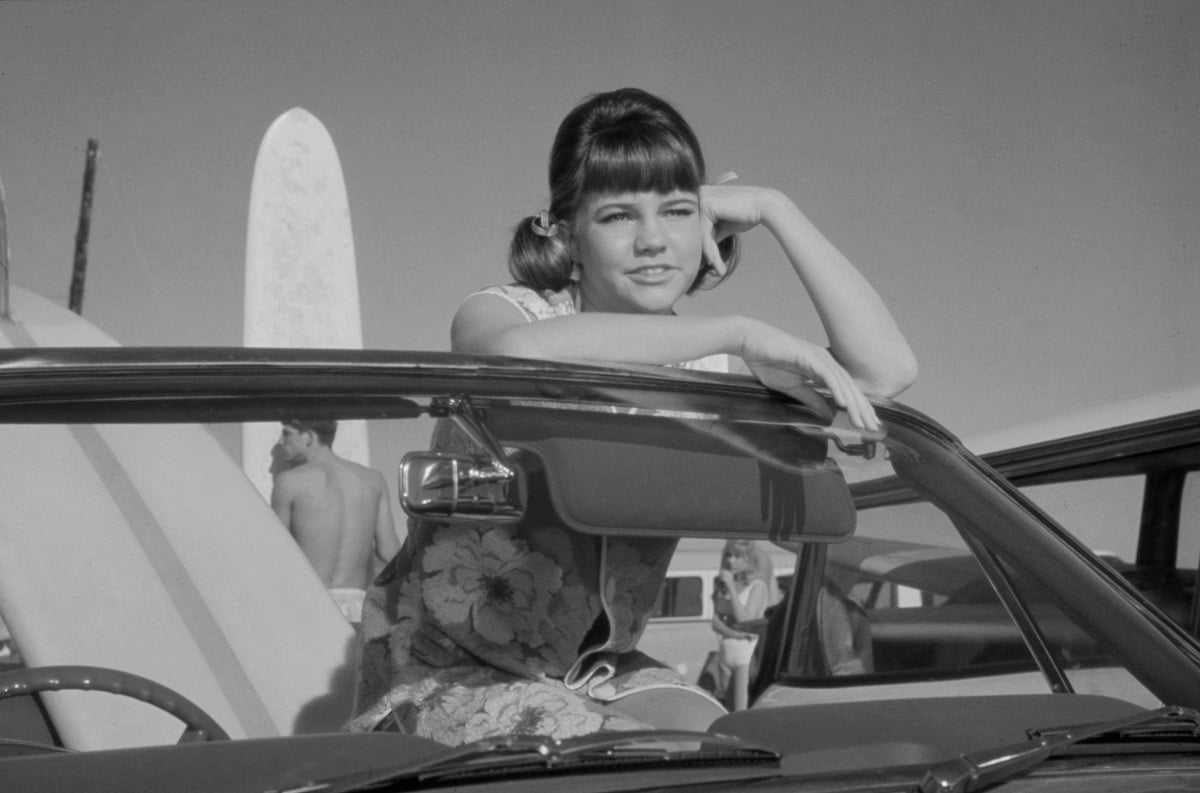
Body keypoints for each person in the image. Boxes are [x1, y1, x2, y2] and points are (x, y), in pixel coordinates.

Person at [350, 87, 916, 744]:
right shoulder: (509, 313)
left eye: (677, 211)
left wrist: (775, 207)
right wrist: (737, 331)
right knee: (642, 756)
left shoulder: (708, 369)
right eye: (619, 215)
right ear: (567, 233)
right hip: (445, 667)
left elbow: (884, 373)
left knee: (743, 753)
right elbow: (516, 356)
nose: (653, 241)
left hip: (597, 669)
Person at [270, 420, 401, 624]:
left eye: (287, 433)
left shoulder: (289, 482)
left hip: (311, 604)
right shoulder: (373, 479)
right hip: (358, 607)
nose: (281, 441)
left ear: (309, 436)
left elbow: (276, 553)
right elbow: (389, 552)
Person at [711, 540, 778, 711]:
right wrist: (737, 635)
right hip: (727, 652)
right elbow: (716, 623)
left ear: (748, 560)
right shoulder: (723, 587)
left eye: (737, 557)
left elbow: (746, 620)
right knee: (727, 710)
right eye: (728, 555)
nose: (731, 561)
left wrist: (732, 589)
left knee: (741, 711)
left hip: (745, 656)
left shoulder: (757, 586)